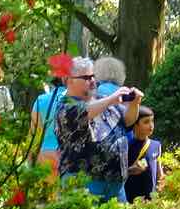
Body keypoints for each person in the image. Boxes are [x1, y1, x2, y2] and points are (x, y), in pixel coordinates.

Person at [55, 56, 141, 201]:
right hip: (84, 184)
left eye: (93, 76)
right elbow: (83, 112)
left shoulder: (102, 98)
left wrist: (135, 104)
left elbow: (127, 121)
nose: (93, 81)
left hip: (116, 184)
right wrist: (111, 100)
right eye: (86, 77)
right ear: (69, 80)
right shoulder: (65, 106)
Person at [28, 70, 67, 169]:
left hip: (43, 158)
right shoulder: (78, 102)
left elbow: (33, 137)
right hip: (67, 160)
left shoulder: (41, 100)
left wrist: (29, 164)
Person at [123, 106, 162, 201]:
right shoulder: (126, 146)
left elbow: (159, 173)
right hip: (131, 201)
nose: (151, 125)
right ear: (135, 125)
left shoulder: (156, 145)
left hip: (151, 202)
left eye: (152, 121)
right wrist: (130, 171)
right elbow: (117, 175)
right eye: (146, 122)